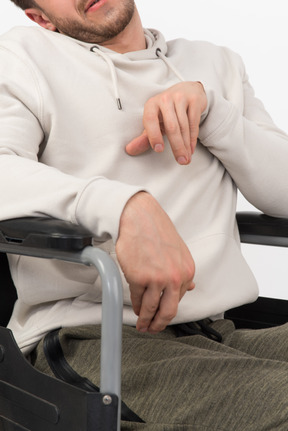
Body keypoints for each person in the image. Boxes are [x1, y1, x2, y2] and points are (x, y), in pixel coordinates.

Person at [1, 0, 288, 429]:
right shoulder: (22, 57)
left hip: (219, 329)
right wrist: (124, 207)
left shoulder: (216, 63)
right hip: (93, 338)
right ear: (40, 17)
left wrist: (212, 110)